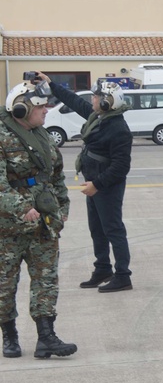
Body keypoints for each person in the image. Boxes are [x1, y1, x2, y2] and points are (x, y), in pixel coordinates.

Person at [1, 77, 76, 358]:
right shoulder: (2, 135)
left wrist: (62, 209)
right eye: (41, 106)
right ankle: (9, 336)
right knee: (4, 284)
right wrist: (21, 207)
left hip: (43, 224)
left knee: (46, 280)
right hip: (7, 228)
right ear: (21, 109)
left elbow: (55, 175)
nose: (47, 111)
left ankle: (46, 337)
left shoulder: (42, 134)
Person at [49, 76, 134, 292]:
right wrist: (51, 85)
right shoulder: (99, 117)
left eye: (96, 97)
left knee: (113, 230)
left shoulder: (118, 128)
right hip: (94, 184)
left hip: (106, 187)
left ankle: (123, 275)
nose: (93, 99)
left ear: (107, 102)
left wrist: (97, 184)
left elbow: (121, 167)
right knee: (97, 229)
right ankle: (103, 268)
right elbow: (76, 102)